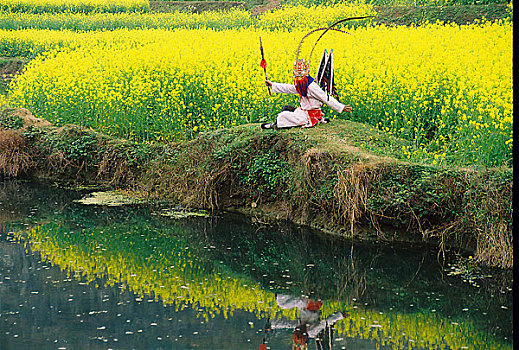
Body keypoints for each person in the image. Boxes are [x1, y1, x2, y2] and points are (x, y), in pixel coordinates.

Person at [261, 59, 352, 130]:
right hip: (304, 112)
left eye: (301, 76)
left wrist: (341, 107)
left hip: (310, 116)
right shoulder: (302, 85)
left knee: (283, 116)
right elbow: (289, 88)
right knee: (287, 108)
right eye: (297, 76)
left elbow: (325, 97)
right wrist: (272, 84)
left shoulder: (312, 86)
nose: (299, 79)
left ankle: (274, 125)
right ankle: (278, 123)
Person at [269, 293, 348, 349]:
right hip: (313, 305)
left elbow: (287, 324)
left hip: (303, 304)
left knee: (281, 303)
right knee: (298, 301)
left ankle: (283, 290)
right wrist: (339, 315)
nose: (297, 328)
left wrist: (272, 324)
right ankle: (302, 292)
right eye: (298, 330)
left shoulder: (299, 326)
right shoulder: (312, 331)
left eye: (297, 330)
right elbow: (325, 323)